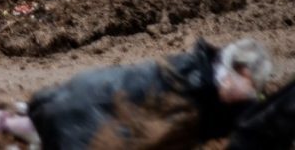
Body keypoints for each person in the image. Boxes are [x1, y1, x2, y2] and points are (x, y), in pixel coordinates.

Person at [28, 38, 272, 149]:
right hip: (76, 117)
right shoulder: (189, 87)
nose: (250, 94)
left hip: (68, 104)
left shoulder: (199, 80)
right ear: (236, 70)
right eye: (251, 85)